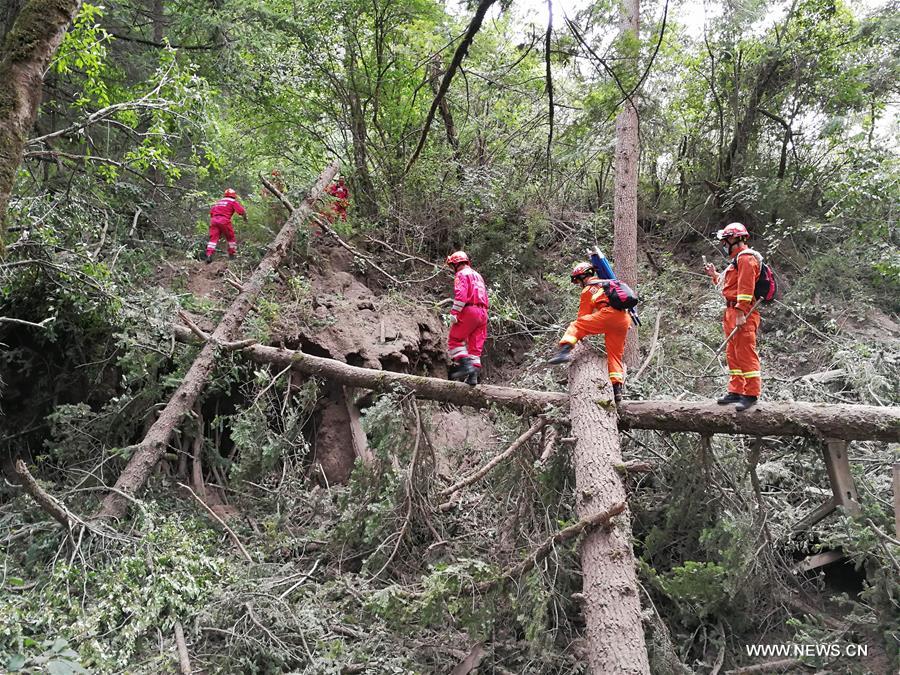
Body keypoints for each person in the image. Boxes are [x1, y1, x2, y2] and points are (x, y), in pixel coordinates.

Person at [548, 262, 631, 403]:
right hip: (624, 319)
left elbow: (582, 316)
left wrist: (579, 335)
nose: (578, 284)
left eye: (577, 280)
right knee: (615, 355)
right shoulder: (608, 283)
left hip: (609, 315)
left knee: (576, 325)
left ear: (582, 277)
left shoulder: (589, 289)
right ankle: (617, 389)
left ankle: (564, 351)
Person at [703, 222, 762, 412]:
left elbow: (746, 289)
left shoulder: (746, 259)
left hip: (743, 313)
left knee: (745, 352)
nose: (723, 245)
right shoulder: (737, 261)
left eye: (725, 241)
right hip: (731, 312)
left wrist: (740, 313)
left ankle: (751, 394)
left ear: (734, 239)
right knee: (733, 353)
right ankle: (736, 390)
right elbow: (730, 285)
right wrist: (714, 275)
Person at [445, 251, 489, 386]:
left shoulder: (461, 274)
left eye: (452, 265)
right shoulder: (478, 276)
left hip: (470, 310)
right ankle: (473, 377)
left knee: (454, 340)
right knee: (475, 348)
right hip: (483, 312)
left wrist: (454, 313)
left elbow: (461, 296)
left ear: (456, 264)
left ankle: (465, 366)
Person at [206, 188, 246, 263]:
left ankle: (209, 255)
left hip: (214, 220)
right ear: (234, 195)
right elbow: (241, 211)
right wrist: (245, 218)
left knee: (213, 239)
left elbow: (211, 213)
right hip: (224, 221)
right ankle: (232, 255)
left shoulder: (219, 202)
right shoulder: (233, 201)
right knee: (231, 238)